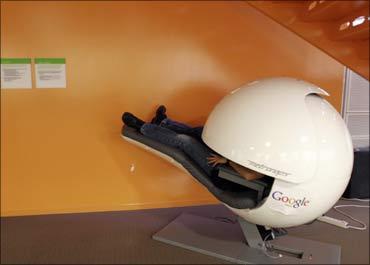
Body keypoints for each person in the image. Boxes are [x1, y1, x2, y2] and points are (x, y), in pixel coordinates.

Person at [122, 105, 264, 181]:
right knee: (204, 131)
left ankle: (142, 127)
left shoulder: (275, 168)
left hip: (221, 172)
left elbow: (249, 176)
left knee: (187, 142)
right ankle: (162, 122)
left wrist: (227, 161)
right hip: (225, 158)